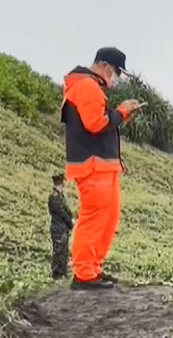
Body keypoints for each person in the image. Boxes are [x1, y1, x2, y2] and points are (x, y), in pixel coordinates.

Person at [61, 46, 143, 290]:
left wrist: (120, 116)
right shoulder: (86, 86)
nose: (116, 77)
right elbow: (96, 124)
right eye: (117, 71)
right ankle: (84, 274)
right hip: (93, 165)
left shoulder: (88, 86)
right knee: (94, 218)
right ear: (106, 66)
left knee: (108, 218)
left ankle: (93, 268)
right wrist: (122, 112)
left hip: (103, 165)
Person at [48, 173, 74, 279]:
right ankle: (57, 273)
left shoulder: (60, 195)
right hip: (58, 227)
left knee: (64, 250)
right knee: (58, 250)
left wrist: (71, 218)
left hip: (63, 227)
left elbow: (66, 211)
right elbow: (61, 212)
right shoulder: (54, 197)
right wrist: (70, 222)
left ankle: (63, 272)